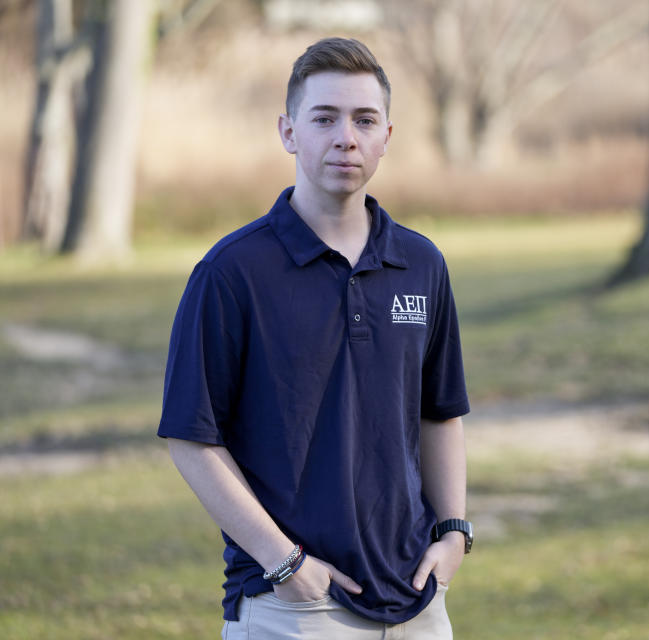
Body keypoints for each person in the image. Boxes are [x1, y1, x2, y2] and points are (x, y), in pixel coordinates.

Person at [158, 37, 473, 639]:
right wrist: (285, 563)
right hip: (294, 608)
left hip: (417, 599)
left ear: (386, 136)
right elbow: (191, 438)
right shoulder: (232, 272)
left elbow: (440, 412)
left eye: (364, 120)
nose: (345, 137)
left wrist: (454, 532)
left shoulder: (422, 263)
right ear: (288, 131)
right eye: (323, 118)